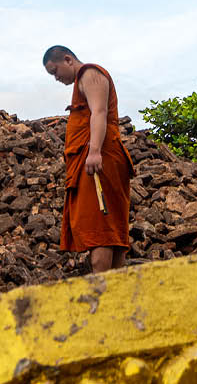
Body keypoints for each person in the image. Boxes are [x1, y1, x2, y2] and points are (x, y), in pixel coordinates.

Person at [42, 45, 132, 272]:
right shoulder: (80, 82)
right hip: (99, 157)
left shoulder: (90, 74)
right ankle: (114, 291)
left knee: (101, 228)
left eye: (55, 71)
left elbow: (99, 112)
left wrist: (94, 152)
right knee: (109, 227)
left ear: (67, 59)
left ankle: (102, 291)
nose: (56, 78)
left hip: (101, 159)